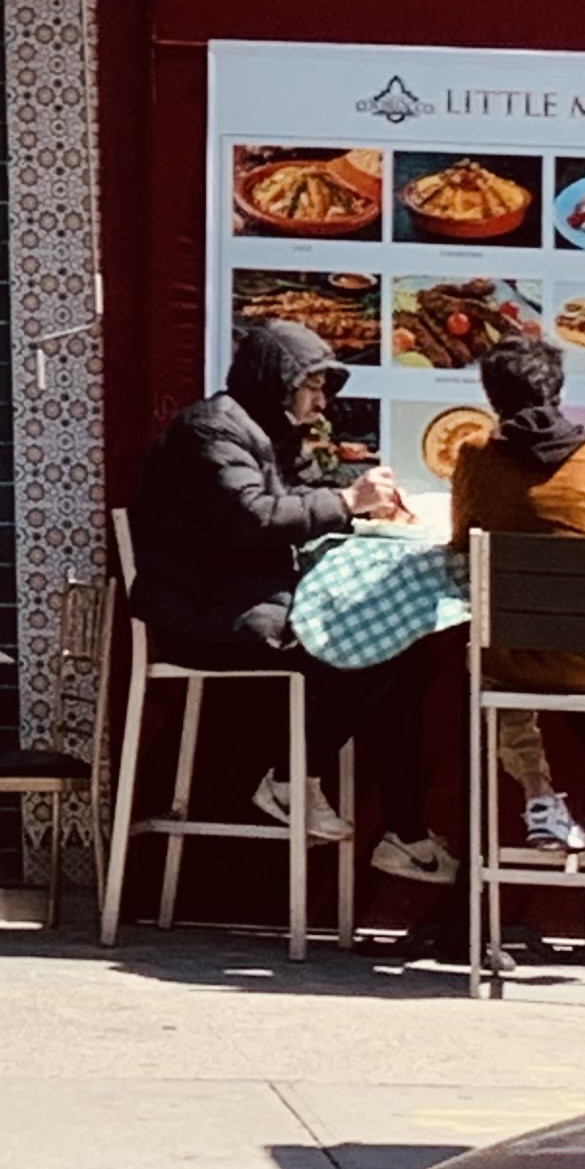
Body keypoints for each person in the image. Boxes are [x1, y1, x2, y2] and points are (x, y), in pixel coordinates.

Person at [129, 319, 414, 844]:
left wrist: (354, 499)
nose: (321, 402)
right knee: (371, 648)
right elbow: (253, 518)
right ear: (275, 380)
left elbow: (299, 494)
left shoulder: (265, 431)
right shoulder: (211, 430)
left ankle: (403, 830)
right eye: (311, 386)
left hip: (243, 601)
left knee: (397, 647)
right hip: (203, 616)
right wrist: (349, 502)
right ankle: (290, 780)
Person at [447, 336, 585, 855]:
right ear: (558, 390)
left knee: (488, 652)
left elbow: (462, 542)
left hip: (516, 662)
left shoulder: (476, 457)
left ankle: (540, 796)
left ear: (491, 399)